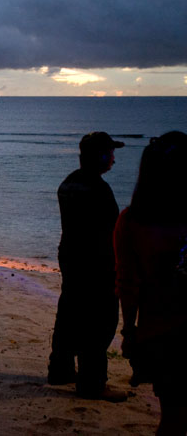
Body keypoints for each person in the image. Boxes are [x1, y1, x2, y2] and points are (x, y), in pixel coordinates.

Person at [115, 131, 187, 431]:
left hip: (159, 333)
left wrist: (130, 331)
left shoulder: (131, 221)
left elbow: (128, 283)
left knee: (171, 418)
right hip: (168, 333)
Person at [47, 131, 126, 402]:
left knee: (69, 312)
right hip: (96, 262)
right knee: (99, 322)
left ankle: (60, 369)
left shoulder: (67, 184)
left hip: (71, 256)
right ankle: (92, 382)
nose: (114, 159)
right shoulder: (98, 189)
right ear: (100, 156)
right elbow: (111, 231)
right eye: (111, 153)